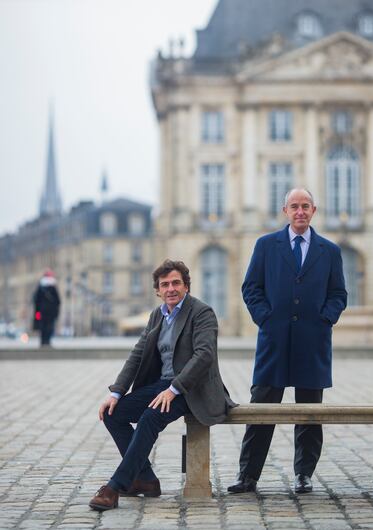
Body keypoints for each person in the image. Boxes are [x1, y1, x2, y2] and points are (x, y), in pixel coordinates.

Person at [89, 259, 236, 511]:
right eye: (165, 284)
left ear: (186, 286)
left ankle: (116, 486)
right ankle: (145, 479)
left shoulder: (202, 312)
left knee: (150, 417)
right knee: (112, 414)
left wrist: (174, 388)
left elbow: (204, 355)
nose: (171, 289)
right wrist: (116, 392)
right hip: (163, 386)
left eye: (176, 283)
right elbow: (138, 353)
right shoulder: (158, 314)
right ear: (158, 290)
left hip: (192, 389)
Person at [228, 188, 347, 495]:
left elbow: (338, 294)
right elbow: (251, 287)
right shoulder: (267, 246)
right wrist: (265, 318)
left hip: (313, 342)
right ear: (285, 210)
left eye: (305, 206)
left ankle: (304, 474)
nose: (300, 211)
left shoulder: (329, 250)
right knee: (261, 410)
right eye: (294, 206)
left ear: (314, 210)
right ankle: (248, 475)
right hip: (274, 341)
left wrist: (325, 318)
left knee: (309, 413)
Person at [32, 268, 60, 347]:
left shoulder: (41, 287)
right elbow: (58, 301)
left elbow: (36, 300)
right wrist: (56, 312)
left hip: (41, 311)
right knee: (49, 326)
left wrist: (37, 312)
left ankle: (43, 341)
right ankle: (47, 341)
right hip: (51, 312)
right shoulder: (53, 287)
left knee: (42, 326)